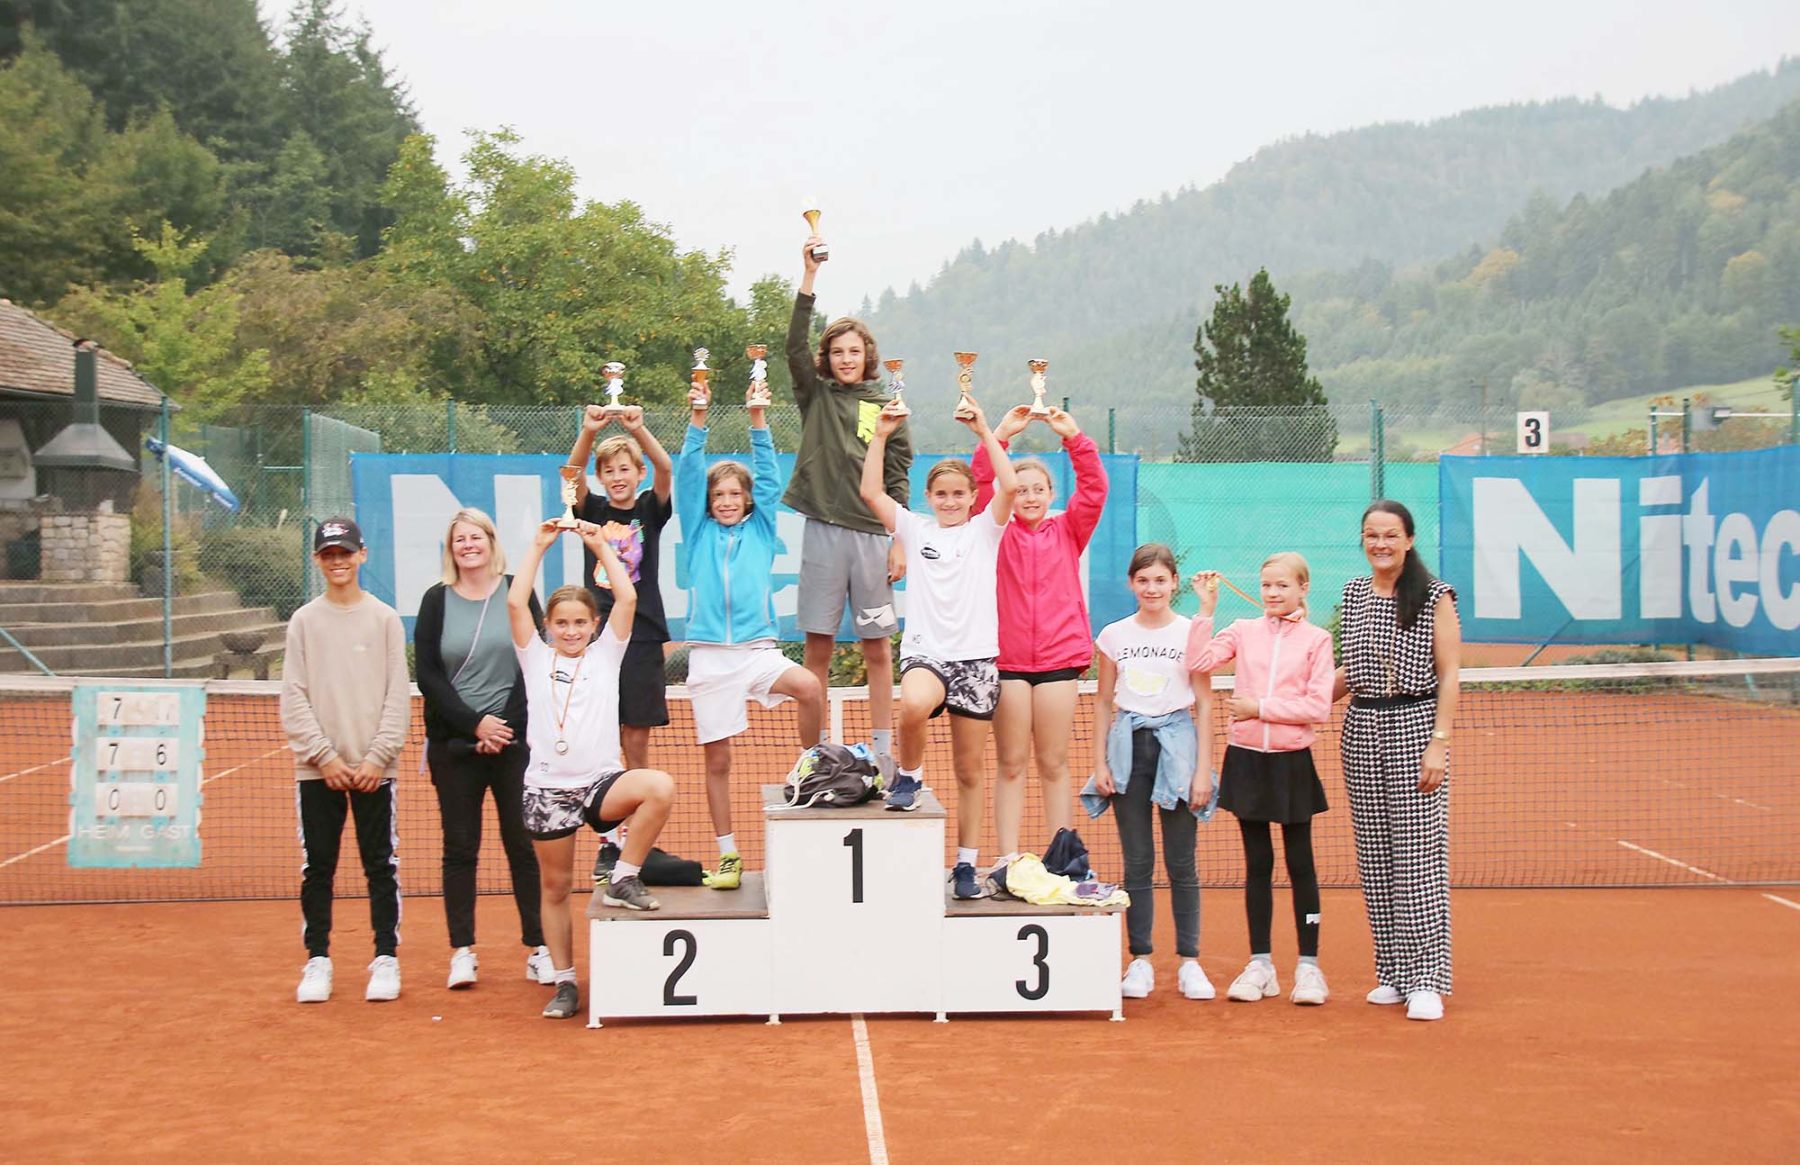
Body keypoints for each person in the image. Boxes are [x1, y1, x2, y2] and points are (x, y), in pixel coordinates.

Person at [509, 519, 678, 1020]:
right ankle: (565, 983)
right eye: (562, 623)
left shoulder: (607, 655)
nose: (571, 631)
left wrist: (602, 547)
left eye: (580, 622)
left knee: (659, 786)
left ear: (594, 625)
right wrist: (538, 547)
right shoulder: (534, 658)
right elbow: (515, 603)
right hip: (547, 790)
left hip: (600, 783)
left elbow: (627, 597)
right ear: (548, 627)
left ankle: (624, 876)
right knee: (556, 888)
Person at [860, 396, 1014, 899]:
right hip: (927, 654)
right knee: (913, 706)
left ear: (972, 498)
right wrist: (881, 434)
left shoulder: (986, 530)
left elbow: (1011, 486)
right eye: (941, 494)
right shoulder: (913, 527)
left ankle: (966, 866)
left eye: (957, 494)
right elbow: (870, 492)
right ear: (928, 497)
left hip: (977, 662)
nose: (949, 501)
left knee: (970, 772)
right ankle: (909, 776)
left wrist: (985, 430)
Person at [678, 381, 825, 890]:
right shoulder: (697, 531)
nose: (725, 501)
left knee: (810, 687)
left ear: (747, 501)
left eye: (734, 494)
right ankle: (728, 855)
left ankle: (810, 766)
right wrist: (697, 420)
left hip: (758, 651)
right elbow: (687, 475)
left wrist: (758, 418)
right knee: (718, 761)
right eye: (718, 495)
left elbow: (768, 478)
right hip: (710, 658)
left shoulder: (762, 530)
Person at [413, 507, 554, 990]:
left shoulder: (517, 591)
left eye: (476, 537)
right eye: (460, 539)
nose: (468, 545)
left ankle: (539, 947)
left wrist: (503, 727)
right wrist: (475, 725)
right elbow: (428, 674)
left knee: (523, 845)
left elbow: (534, 661)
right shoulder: (436, 600)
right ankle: (462, 951)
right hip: (454, 746)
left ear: (491, 542)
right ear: (451, 549)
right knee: (460, 847)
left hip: (514, 744)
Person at [1332, 500, 1462, 1022]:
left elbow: (1449, 674)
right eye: (1371, 535)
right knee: (1375, 855)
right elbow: (1348, 672)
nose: (1380, 544)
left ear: (1408, 540)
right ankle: (1393, 971)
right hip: (1361, 729)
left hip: (1415, 727)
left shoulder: (1434, 595)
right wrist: (1287, 699)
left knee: (1418, 856)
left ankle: (1427, 978)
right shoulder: (1353, 593)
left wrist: (1439, 742)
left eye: (1390, 535)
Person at [1187, 553, 1334, 1007]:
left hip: (1292, 763)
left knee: (1301, 863)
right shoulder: (1242, 631)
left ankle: (1308, 967)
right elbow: (1198, 662)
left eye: (1282, 585)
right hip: (1247, 759)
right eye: (1267, 584)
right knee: (1257, 864)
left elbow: (1318, 707)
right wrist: (1206, 609)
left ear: (1303, 588)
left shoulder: (1317, 640)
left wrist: (1260, 709)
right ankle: (1261, 965)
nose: (1272, 593)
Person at [787, 234, 913, 762]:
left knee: (877, 650)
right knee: (816, 650)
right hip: (822, 532)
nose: (845, 359)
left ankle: (882, 756)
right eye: (836, 352)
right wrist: (809, 277)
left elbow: (899, 474)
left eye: (853, 351)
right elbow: (793, 347)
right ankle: (814, 757)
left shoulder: (887, 405)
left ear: (868, 358)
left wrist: (898, 540)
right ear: (827, 359)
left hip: (870, 538)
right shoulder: (815, 395)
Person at [282, 516, 411, 1004]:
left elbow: (397, 695)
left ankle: (386, 958)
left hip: (376, 771)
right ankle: (318, 959)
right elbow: (293, 696)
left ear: (362, 555)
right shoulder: (303, 622)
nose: (338, 561)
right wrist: (324, 757)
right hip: (319, 772)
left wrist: (377, 758)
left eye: (345, 553)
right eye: (328, 554)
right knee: (319, 867)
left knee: (381, 865)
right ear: (318, 560)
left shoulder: (384, 619)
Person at [971, 404, 1108, 858]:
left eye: (1038, 489)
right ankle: (1008, 857)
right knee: (1011, 764)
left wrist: (1075, 438)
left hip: (1059, 662)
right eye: (1021, 489)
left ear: (1051, 494)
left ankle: (1062, 855)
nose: (1029, 497)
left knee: (1053, 762)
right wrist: (1000, 435)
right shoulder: (994, 533)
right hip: (1007, 663)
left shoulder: (1070, 529)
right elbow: (981, 484)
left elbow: (1095, 488)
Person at [1086, 543, 1214, 1001]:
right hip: (1129, 751)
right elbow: (1104, 701)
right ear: (1131, 584)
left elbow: (1205, 702)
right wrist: (1100, 762)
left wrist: (1203, 770)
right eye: (1143, 580)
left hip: (1178, 749)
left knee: (1182, 862)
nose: (1152, 588)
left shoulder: (1191, 631)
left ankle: (1189, 963)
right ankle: (1139, 959)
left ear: (1174, 583)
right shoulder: (1114, 635)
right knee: (1137, 860)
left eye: (1160, 580)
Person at [565, 404, 673, 886]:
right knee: (602, 737)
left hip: (642, 634)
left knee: (635, 739)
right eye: (609, 471)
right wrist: (589, 431)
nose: (617, 477)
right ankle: (608, 842)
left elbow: (666, 467)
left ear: (637, 473)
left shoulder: (650, 509)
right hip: (598, 636)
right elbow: (571, 477)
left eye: (625, 469)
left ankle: (635, 838)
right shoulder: (592, 510)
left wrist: (638, 429)